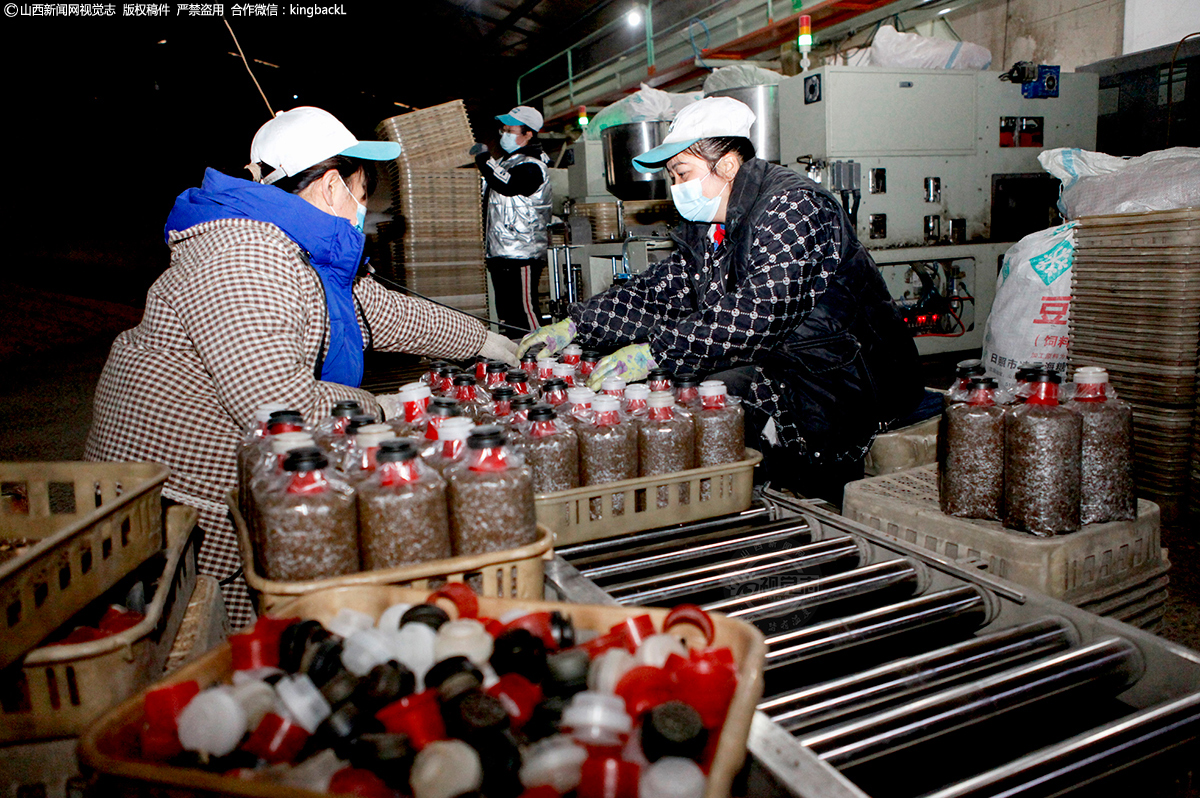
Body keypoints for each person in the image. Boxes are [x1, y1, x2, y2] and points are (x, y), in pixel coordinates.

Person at [85, 106, 518, 626]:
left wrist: (486, 341)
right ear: (333, 186)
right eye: (362, 193)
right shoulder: (245, 258)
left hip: (226, 493)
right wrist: (377, 407)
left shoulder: (295, 249)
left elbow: (384, 311)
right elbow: (278, 408)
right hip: (179, 510)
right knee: (219, 639)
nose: (364, 208)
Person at [518, 97, 924, 502]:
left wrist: (654, 353)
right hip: (786, 364)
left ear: (726, 165)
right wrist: (578, 324)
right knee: (704, 406)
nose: (676, 188)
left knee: (822, 492)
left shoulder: (793, 207)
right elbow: (660, 291)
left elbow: (758, 314)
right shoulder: (710, 224)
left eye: (682, 173)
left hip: (846, 377)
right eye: (673, 178)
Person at [471, 105, 552, 335]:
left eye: (511, 130)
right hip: (500, 252)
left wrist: (484, 159)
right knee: (508, 315)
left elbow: (508, 185)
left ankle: (541, 355)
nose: (504, 134)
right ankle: (518, 362)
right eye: (503, 129)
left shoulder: (533, 166)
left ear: (528, 134)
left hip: (522, 253)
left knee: (525, 312)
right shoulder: (507, 163)